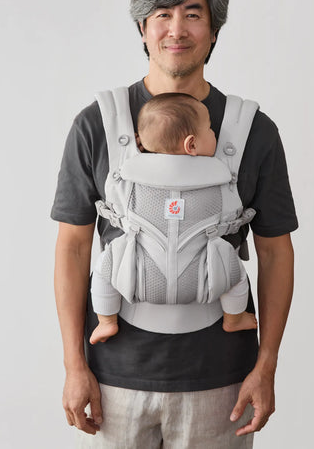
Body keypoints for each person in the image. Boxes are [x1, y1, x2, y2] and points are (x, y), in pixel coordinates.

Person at [52, 0, 298, 448]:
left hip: (223, 378)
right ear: (142, 29)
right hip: (114, 377)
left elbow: (275, 252)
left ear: (214, 30)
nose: (176, 29)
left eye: (192, 13)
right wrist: (74, 366)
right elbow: (72, 248)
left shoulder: (253, 131)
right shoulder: (97, 124)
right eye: (162, 14)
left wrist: (266, 365)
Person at [89, 92, 258, 344]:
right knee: (236, 273)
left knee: (104, 268)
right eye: (210, 129)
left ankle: (106, 321)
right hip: (205, 280)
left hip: (137, 278)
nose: (215, 134)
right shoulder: (217, 178)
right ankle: (234, 319)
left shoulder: (132, 177)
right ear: (192, 145)